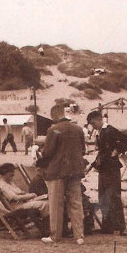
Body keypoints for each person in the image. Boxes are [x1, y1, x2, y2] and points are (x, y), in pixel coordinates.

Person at [39, 103, 87, 244]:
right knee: (76, 204)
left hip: (57, 171)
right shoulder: (78, 129)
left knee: (56, 204)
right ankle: (79, 236)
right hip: (76, 171)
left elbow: (47, 152)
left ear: (54, 115)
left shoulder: (53, 130)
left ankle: (55, 236)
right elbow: (83, 150)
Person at [87, 110, 127, 235]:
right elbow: (102, 153)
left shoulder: (109, 130)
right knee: (103, 197)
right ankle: (108, 226)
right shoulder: (99, 132)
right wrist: (91, 166)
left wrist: (117, 151)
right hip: (104, 168)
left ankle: (120, 227)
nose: (92, 125)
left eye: (93, 123)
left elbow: (125, 139)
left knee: (114, 196)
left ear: (99, 119)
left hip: (112, 169)